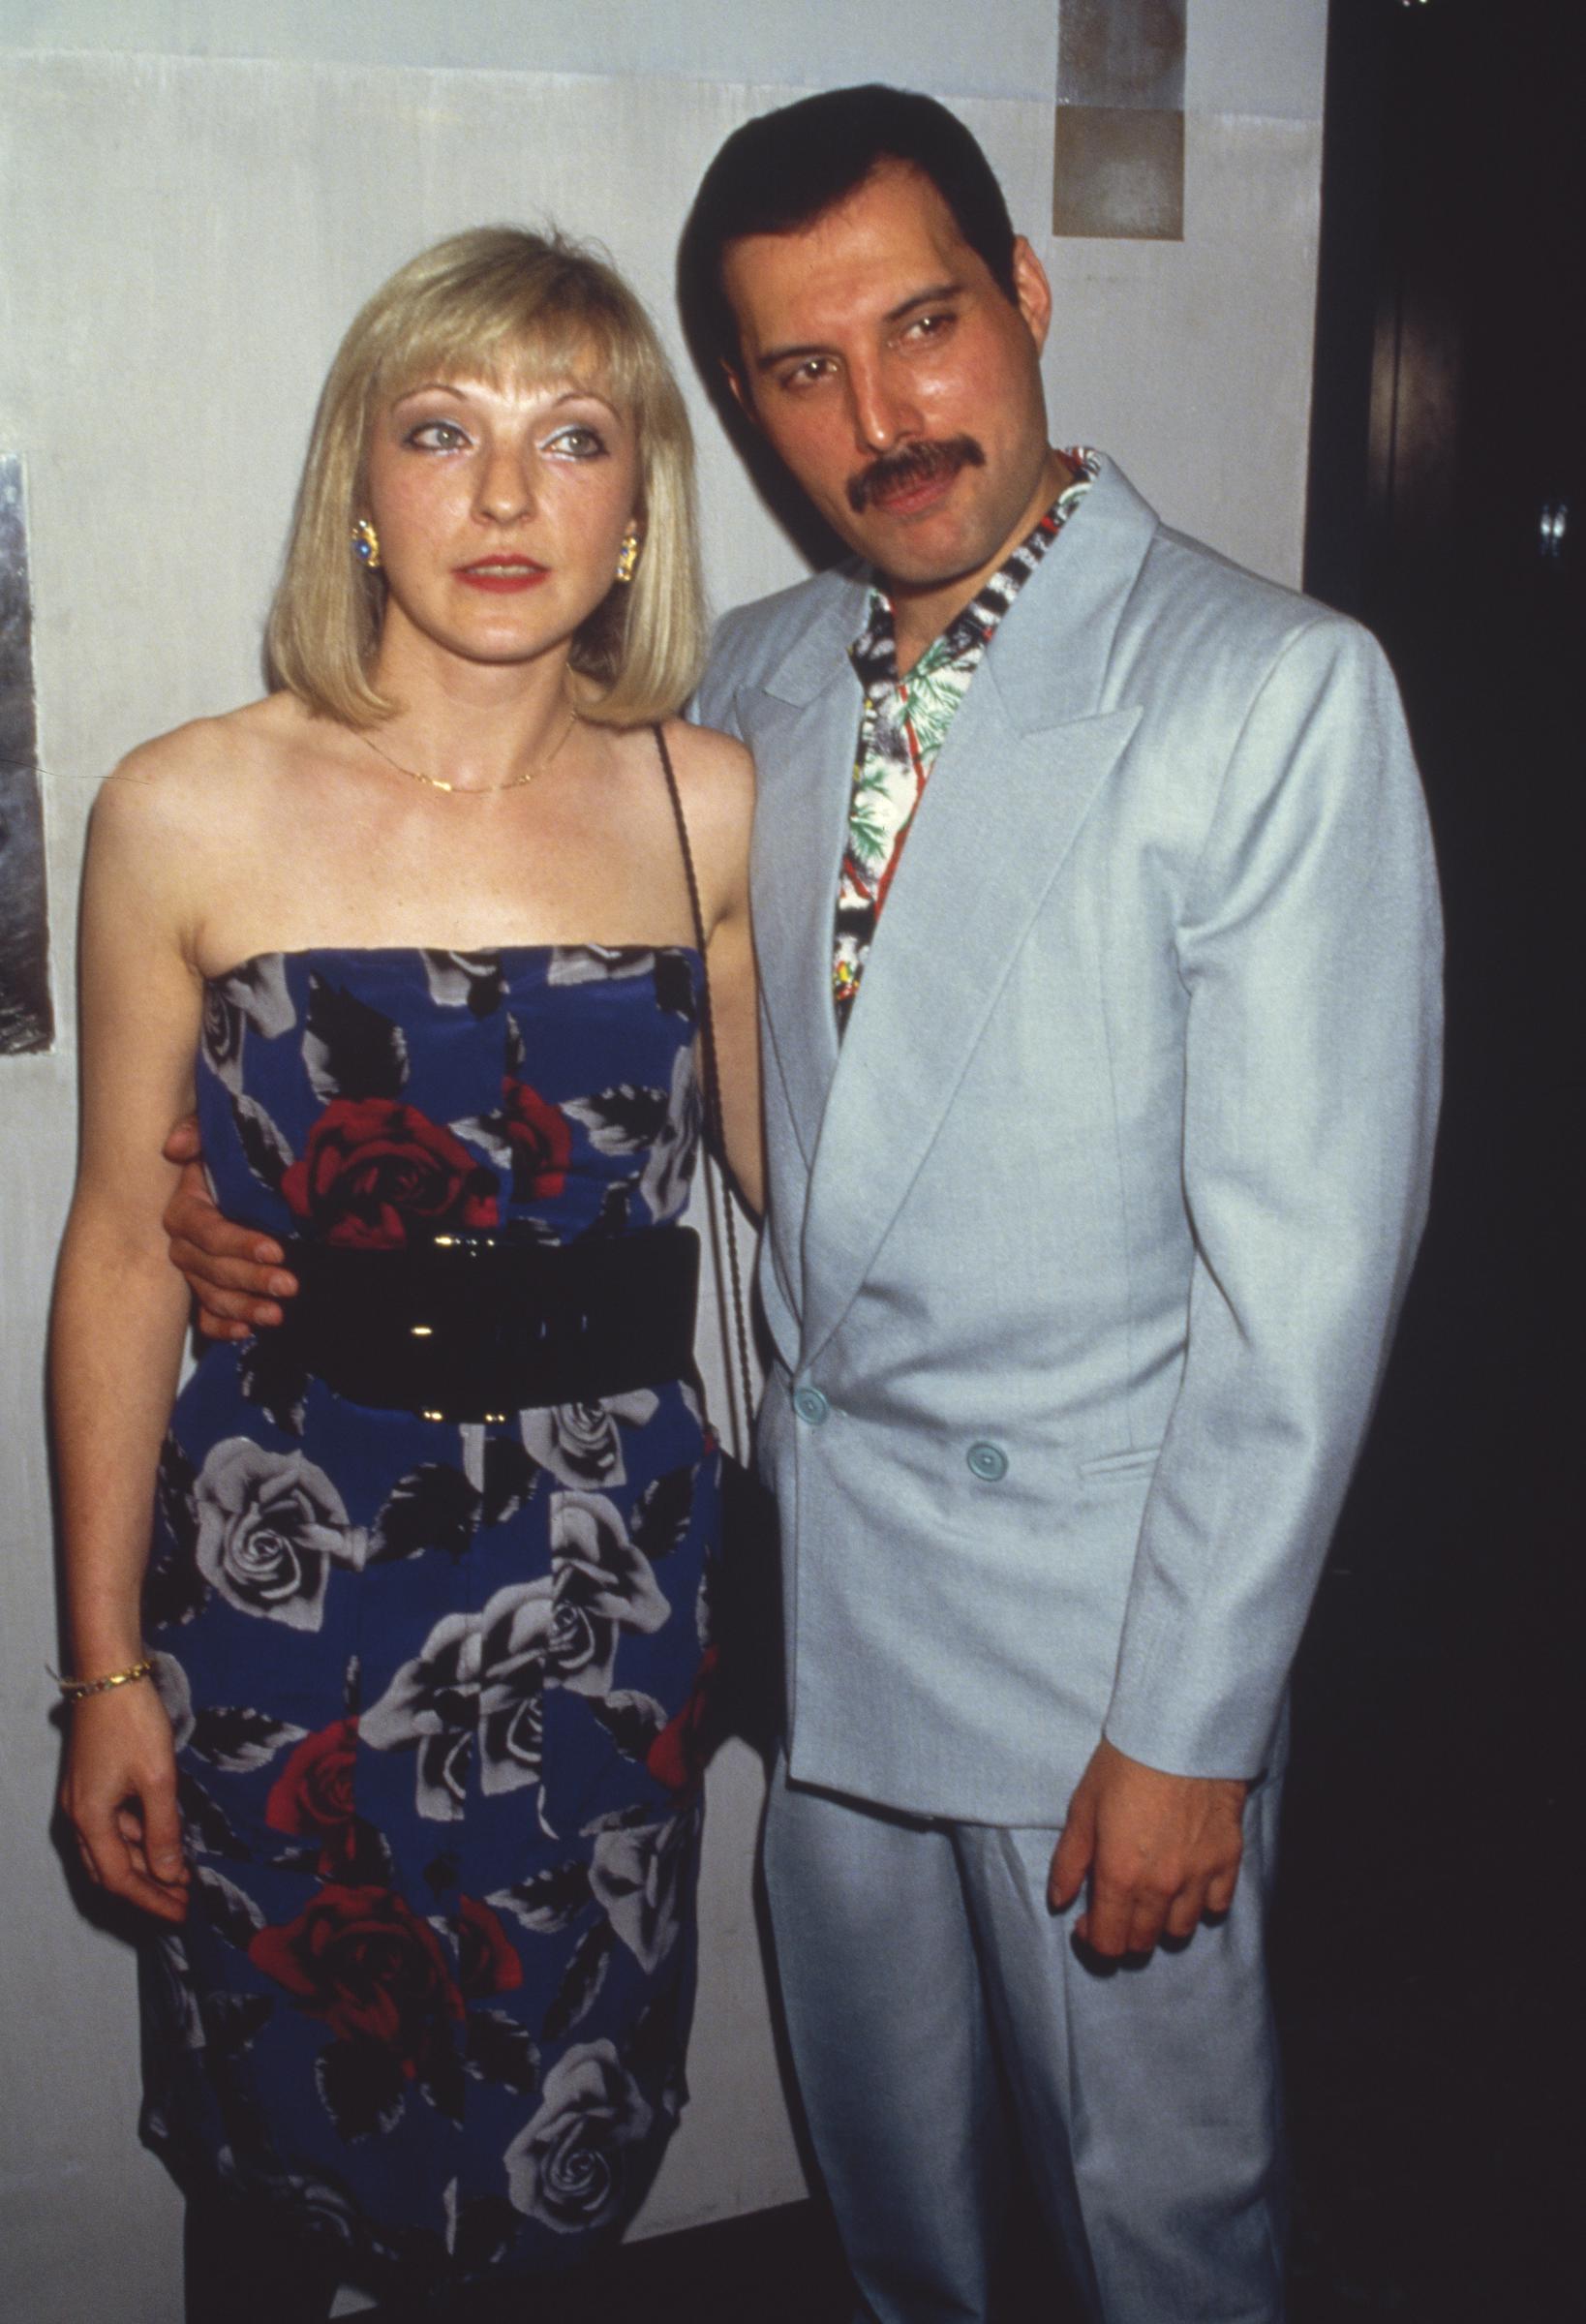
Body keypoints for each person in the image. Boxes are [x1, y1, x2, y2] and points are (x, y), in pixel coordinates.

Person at [166, 85, 1444, 2324]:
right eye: (802, 368)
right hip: (807, 1608)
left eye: (928, 322)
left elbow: (1308, 1293)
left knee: (1165, 2220)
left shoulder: (1269, 695)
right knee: (890, 2204)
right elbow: (606, 1084)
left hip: (1097, 1653)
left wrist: (1194, 1727)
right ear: (743, 414)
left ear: (1028, 300)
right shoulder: (739, 689)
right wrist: (246, 1203)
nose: (885, 410)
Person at [51, 225, 756, 2323]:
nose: (510, 496)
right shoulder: (182, 807)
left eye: (574, 438)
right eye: (444, 433)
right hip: (289, 1564)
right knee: (272, 2144)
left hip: (608, 1572)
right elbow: (115, 1245)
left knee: (552, 2162)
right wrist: (100, 1675)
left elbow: (828, 1186)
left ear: (641, 509)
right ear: (361, 485)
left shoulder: (712, 801)